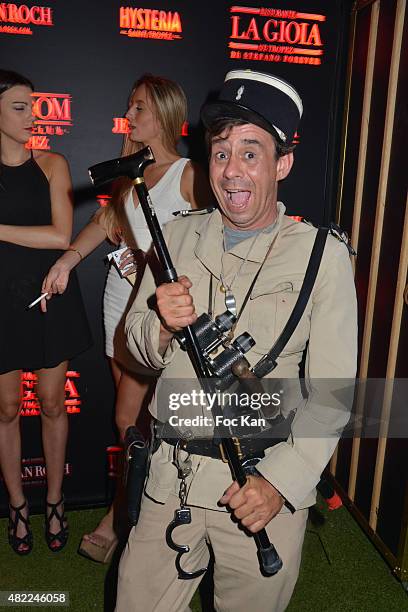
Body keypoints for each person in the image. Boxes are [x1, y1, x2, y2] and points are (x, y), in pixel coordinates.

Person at [116, 69, 358, 611]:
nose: (232, 170)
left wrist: (281, 483)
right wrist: (158, 323)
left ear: (283, 163)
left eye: (252, 152)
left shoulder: (322, 257)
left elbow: (333, 394)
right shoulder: (174, 236)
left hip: (259, 489)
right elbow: (132, 344)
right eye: (221, 151)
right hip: (169, 481)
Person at [42, 73, 212, 563]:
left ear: (163, 113)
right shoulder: (130, 173)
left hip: (163, 315)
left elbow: (210, 240)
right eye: (130, 106)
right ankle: (141, 513)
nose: (129, 115)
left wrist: (162, 264)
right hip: (120, 305)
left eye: (138, 107)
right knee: (135, 423)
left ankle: (124, 519)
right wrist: (67, 260)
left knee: (132, 422)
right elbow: (104, 222)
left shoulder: (189, 174)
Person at [0, 69, 91, 555]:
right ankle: (18, 505)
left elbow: (60, 236)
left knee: (54, 404)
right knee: (6, 409)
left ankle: (55, 499)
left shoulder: (52, 163)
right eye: (19, 106)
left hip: (48, 296)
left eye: (32, 104)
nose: (32, 114)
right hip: (1, 299)